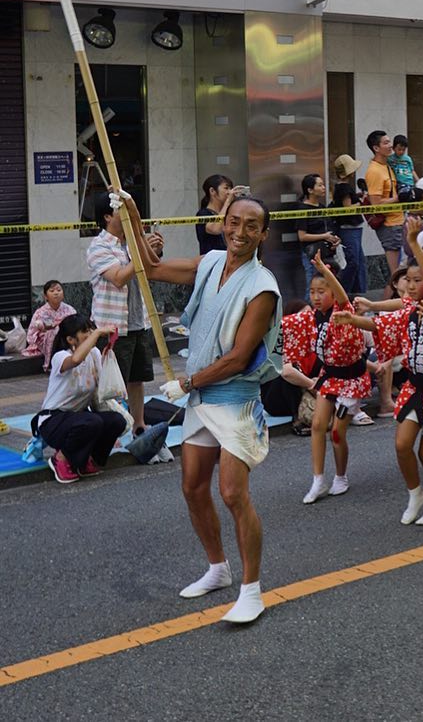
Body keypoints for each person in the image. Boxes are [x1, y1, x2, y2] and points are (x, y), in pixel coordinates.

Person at [126, 191, 281, 625]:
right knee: (193, 488)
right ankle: (218, 568)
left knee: (232, 492)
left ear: (263, 234)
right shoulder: (211, 262)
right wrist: (134, 214)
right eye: (234, 222)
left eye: (251, 225)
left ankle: (251, 590)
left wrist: (187, 382)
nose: (240, 232)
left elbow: (239, 357)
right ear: (223, 223)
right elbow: (152, 268)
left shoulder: (262, 287)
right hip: (200, 396)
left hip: (234, 399)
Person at [334, 219, 423, 526]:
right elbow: (380, 324)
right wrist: (351, 320)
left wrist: (414, 242)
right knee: (402, 445)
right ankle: (415, 493)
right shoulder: (407, 311)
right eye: (410, 280)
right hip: (415, 388)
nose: (413, 285)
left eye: (419, 280)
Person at [283, 252, 371, 504]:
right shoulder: (311, 316)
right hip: (330, 376)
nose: (316, 297)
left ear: (333, 292)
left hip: (351, 379)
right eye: (312, 292)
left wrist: (324, 270)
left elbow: (342, 296)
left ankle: (341, 477)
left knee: (337, 433)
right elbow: (284, 324)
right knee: (317, 425)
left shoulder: (344, 311)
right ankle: (318, 480)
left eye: (322, 291)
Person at [87, 192, 164, 436]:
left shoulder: (131, 241)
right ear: (107, 216)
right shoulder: (98, 246)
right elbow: (119, 277)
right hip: (112, 325)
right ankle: (109, 430)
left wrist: (153, 249)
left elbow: (151, 268)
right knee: (110, 382)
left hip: (138, 320)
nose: (128, 214)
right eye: (122, 210)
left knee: (137, 378)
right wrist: (141, 251)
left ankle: (139, 424)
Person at [33, 314, 126, 484]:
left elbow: (100, 391)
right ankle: (60, 459)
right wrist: (97, 333)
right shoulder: (60, 357)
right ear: (70, 339)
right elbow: (75, 360)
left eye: (90, 329)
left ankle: (85, 459)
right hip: (53, 420)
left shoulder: (94, 354)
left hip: (79, 417)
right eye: (85, 331)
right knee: (91, 421)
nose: (90, 334)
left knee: (116, 421)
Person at [365, 130, 405, 279]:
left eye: (390, 142)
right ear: (376, 148)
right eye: (386, 143)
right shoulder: (374, 171)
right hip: (389, 225)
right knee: (397, 275)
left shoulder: (387, 166)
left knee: (401, 273)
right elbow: (376, 204)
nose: (390, 146)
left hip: (399, 221)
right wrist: (399, 199)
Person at [296, 174, 340, 300]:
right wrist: (324, 236)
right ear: (310, 190)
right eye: (319, 185)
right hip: (312, 256)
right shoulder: (303, 209)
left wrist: (335, 239)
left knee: (328, 286)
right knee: (313, 286)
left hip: (327, 254)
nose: (323, 188)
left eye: (323, 184)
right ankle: (309, 310)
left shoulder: (322, 207)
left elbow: (328, 229)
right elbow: (302, 236)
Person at [24, 280, 76, 371]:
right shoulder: (40, 312)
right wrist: (43, 327)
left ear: (63, 294)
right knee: (53, 332)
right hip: (46, 340)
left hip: (67, 337)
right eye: (52, 291)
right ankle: (51, 363)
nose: (56, 293)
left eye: (59, 290)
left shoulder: (69, 309)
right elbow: (31, 333)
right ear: (45, 296)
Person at [330, 181, 367, 297]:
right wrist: (360, 203)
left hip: (351, 229)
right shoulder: (344, 188)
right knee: (354, 262)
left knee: (358, 262)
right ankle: (345, 291)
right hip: (349, 229)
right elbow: (348, 208)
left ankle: (353, 291)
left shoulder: (340, 189)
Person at [195, 173, 234, 255]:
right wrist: (228, 202)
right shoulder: (203, 214)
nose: (229, 192)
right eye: (226, 188)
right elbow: (216, 229)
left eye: (231, 188)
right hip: (211, 259)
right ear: (212, 191)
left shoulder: (228, 212)